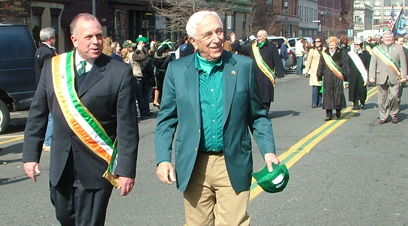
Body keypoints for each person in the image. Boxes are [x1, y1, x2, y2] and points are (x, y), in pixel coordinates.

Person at [155, 11, 279, 226]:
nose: (216, 39)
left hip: (232, 160)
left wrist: (268, 152)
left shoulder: (243, 66)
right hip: (194, 164)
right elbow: (166, 118)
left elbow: (258, 116)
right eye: (208, 34)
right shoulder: (176, 70)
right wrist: (163, 159)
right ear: (193, 41)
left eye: (219, 31)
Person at [22, 13, 139, 226]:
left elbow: (128, 127)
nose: (96, 41)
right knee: (64, 217)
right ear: (74, 40)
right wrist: (31, 155)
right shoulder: (54, 67)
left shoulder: (119, 72)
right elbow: (38, 113)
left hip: (96, 166)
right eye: (89, 37)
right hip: (62, 165)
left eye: (99, 36)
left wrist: (126, 170)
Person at [230, 30, 284, 113]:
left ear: (265, 36)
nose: (258, 38)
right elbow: (242, 49)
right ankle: (257, 112)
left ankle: (265, 112)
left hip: (266, 76)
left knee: (266, 96)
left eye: (260, 36)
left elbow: (277, 59)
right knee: (256, 95)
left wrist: (280, 72)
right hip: (256, 75)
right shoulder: (253, 46)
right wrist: (234, 42)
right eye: (257, 36)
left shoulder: (271, 46)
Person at [369, 31, 407, 124]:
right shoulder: (377, 49)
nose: (388, 39)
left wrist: (403, 76)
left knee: (394, 96)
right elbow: (373, 63)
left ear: (392, 38)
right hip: (381, 76)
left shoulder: (399, 48)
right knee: (382, 98)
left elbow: (403, 64)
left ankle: (394, 114)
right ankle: (383, 116)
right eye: (386, 38)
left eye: (390, 38)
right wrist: (372, 76)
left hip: (395, 77)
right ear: (382, 39)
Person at [34, 27, 57, 152]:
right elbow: (51, 70)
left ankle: (46, 139)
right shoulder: (47, 53)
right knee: (52, 115)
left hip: (40, 86)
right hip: (49, 87)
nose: (54, 40)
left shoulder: (39, 50)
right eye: (53, 37)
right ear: (50, 38)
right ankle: (48, 140)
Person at [317, 36, 350, 121]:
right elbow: (321, 65)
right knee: (328, 95)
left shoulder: (341, 53)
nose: (331, 47)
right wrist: (319, 76)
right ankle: (328, 114)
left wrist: (346, 78)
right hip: (327, 77)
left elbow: (345, 65)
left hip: (337, 78)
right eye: (330, 45)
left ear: (336, 45)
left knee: (337, 94)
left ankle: (338, 110)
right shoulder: (325, 53)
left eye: (333, 45)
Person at [347, 39, 371, 110]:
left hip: (362, 74)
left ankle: (362, 101)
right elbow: (347, 64)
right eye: (355, 45)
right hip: (353, 74)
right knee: (353, 88)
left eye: (357, 45)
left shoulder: (365, 54)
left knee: (361, 88)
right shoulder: (351, 54)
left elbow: (368, 63)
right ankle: (355, 103)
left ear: (361, 45)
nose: (356, 46)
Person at [130, 37, 148, 120]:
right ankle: (142, 113)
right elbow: (141, 58)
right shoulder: (132, 55)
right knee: (139, 96)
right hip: (136, 75)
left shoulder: (129, 54)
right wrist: (140, 50)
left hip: (133, 76)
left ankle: (139, 113)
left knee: (135, 97)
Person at [304, 37, 325, 108]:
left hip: (323, 70)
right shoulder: (312, 51)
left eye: (318, 41)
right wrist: (306, 71)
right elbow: (309, 61)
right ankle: (314, 102)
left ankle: (320, 102)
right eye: (315, 42)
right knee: (315, 87)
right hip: (315, 70)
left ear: (321, 42)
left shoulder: (324, 50)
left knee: (321, 87)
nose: (317, 43)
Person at [153, 42, 172, 109]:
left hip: (158, 72)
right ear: (166, 50)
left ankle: (158, 101)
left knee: (158, 87)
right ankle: (164, 102)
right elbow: (170, 65)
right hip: (165, 72)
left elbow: (154, 64)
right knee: (165, 88)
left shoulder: (156, 57)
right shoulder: (168, 57)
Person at [394, 35, 408, 105]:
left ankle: (396, 106)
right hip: (392, 74)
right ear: (396, 41)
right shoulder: (391, 50)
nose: (402, 43)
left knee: (399, 92)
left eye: (403, 41)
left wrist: (406, 75)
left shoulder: (406, 51)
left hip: (401, 75)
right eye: (400, 41)